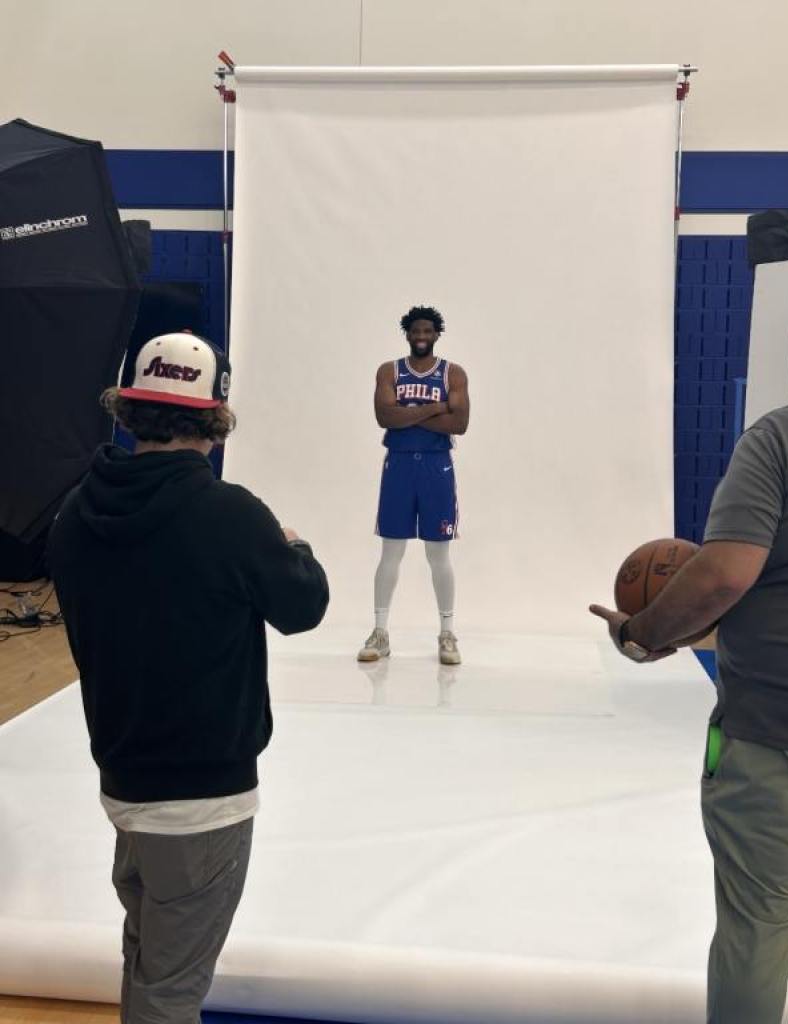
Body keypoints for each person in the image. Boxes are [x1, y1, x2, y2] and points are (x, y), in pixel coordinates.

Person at [47, 331, 329, 1024]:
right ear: (214, 421)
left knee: (148, 957)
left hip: (124, 784)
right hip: (205, 798)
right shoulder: (230, 515)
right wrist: (297, 547)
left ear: (131, 413)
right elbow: (303, 608)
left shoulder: (76, 513)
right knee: (171, 988)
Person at [590, 318, 788, 1024]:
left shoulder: (779, 439)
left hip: (772, 737)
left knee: (758, 930)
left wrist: (643, 634)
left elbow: (723, 576)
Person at [357, 305, 470, 666]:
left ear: (437, 334)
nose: (421, 337)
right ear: (406, 333)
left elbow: (460, 423)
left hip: (437, 467)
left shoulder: (454, 373)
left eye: (428, 331)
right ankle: (380, 631)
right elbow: (384, 417)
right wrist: (435, 408)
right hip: (399, 465)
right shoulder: (389, 370)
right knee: (391, 550)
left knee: (439, 554)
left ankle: (447, 633)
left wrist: (408, 414)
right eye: (415, 331)